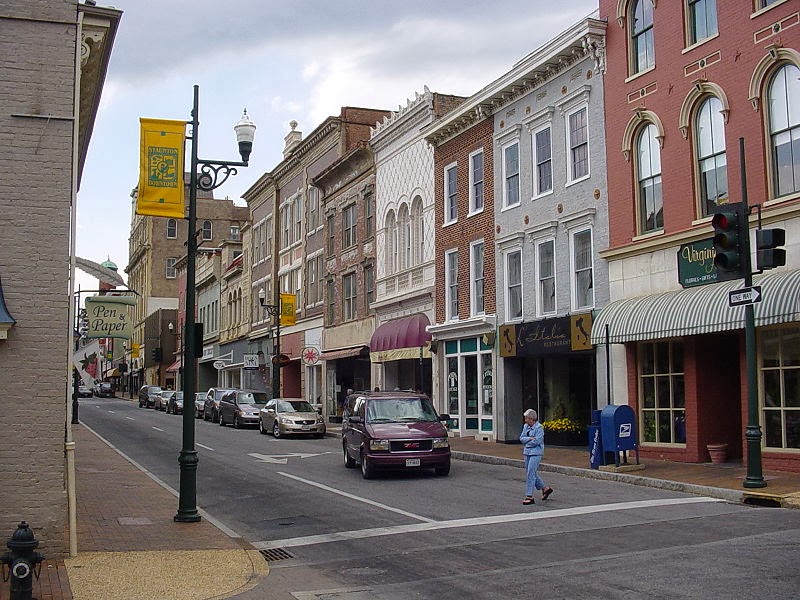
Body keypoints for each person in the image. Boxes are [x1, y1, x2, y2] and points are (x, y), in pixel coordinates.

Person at [520, 408, 553, 505]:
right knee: (530, 472)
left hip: (536, 453)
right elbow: (521, 438)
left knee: (530, 473)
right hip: (527, 452)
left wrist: (527, 441)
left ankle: (529, 496)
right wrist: (530, 439)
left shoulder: (539, 428)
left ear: (532, 419)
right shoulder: (525, 426)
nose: (525, 420)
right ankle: (545, 488)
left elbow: (537, 441)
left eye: (527, 418)